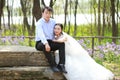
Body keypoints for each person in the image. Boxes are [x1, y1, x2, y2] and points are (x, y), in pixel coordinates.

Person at [35, 6, 67, 73]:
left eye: (49, 13)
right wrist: (46, 43)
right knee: (44, 45)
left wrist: (59, 38)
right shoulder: (39, 23)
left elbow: (57, 31)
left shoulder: (53, 21)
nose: (48, 15)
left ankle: (61, 64)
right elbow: (41, 35)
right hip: (40, 43)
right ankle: (53, 65)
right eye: (46, 13)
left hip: (51, 41)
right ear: (42, 13)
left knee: (62, 44)